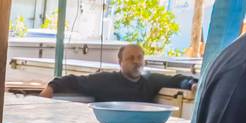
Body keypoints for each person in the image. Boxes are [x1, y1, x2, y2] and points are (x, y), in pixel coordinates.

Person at [40, 44, 195, 102]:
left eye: (139, 58)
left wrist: (192, 84)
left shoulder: (151, 80)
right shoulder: (105, 80)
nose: (136, 61)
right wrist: (51, 88)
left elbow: (177, 80)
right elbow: (72, 80)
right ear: (120, 63)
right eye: (130, 58)